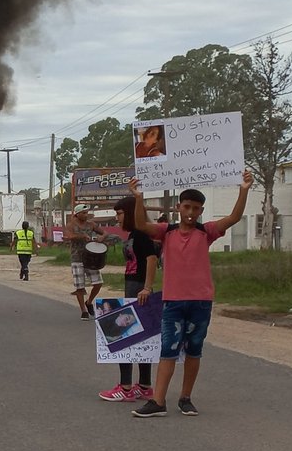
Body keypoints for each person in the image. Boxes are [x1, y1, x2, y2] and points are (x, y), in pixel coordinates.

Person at [129, 171, 254, 418]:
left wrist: (244, 189)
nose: (191, 212)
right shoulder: (167, 232)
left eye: (196, 208)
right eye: (187, 206)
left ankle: (185, 398)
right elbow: (141, 225)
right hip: (173, 301)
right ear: (178, 207)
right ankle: (158, 401)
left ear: (201, 210)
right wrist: (138, 198)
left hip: (200, 302)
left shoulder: (206, 232)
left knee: (194, 349)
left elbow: (234, 217)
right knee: (169, 349)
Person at [98, 196, 158, 403]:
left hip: (139, 289)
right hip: (131, 287)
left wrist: (147, 288)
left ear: (132, 213)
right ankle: (143, 385)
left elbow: (151, 259)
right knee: (139, 338)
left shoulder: (142, 234)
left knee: (125, 338)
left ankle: (125, 387)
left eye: (120, 213)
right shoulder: (134, 234)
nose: (117, 218)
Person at [66, 203, 104, 320]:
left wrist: (101, 237)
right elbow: (70, 236)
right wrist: (82, 236)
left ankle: (89, 301)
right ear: (77, 214)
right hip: (77, 258)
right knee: (80, 287)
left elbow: (104, 232)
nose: (86, 215)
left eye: (87, 213)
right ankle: (83, 310)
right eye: (83, 213)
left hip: (91, 258)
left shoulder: (91, 224)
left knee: (98, 283)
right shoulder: (71, 225)